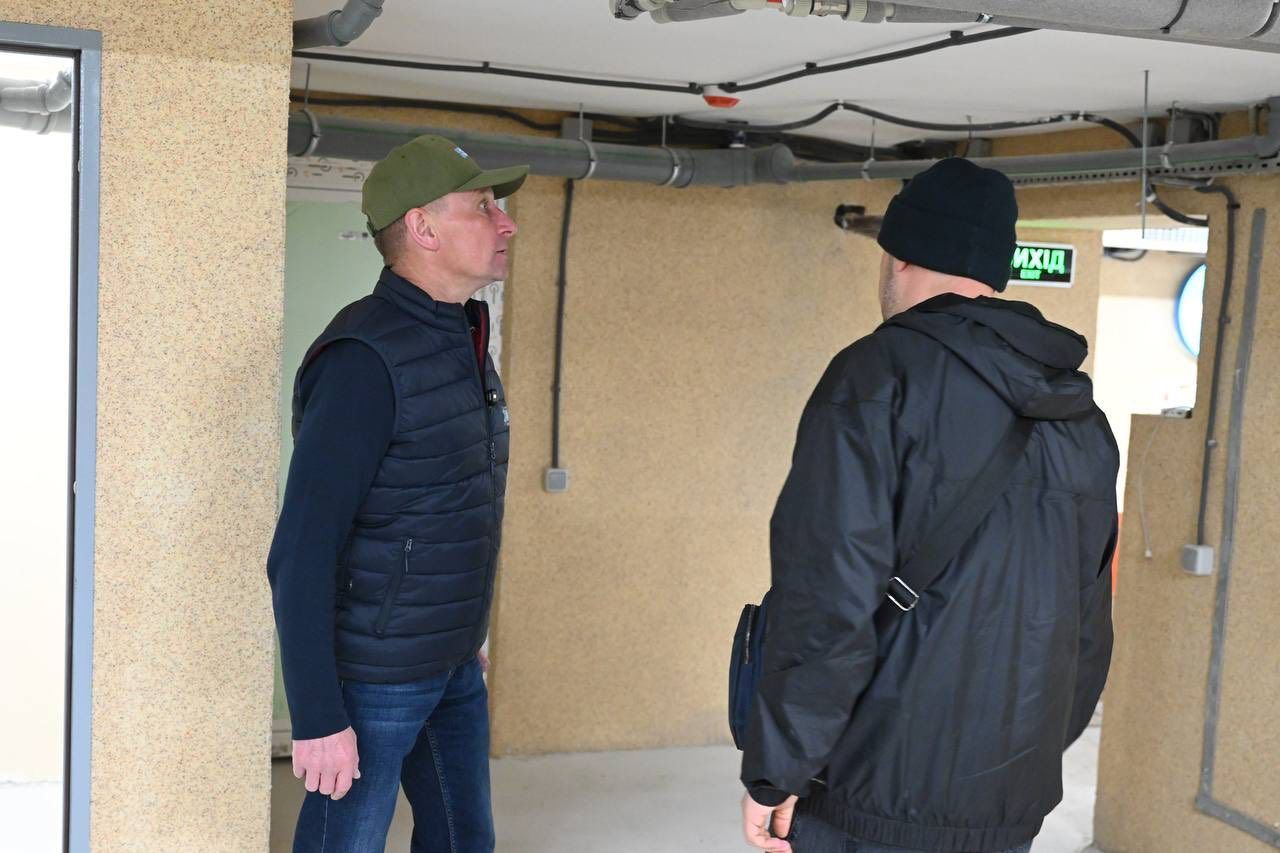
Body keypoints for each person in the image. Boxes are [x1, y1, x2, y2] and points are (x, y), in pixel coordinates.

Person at [739, 158, 1119, 853]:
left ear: (901, 255)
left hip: (869, 797)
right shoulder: (1080, 416)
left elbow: (828, 596)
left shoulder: (875, 376)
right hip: (1005, 804)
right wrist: (1018, 765)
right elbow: (1087, 625)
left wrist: (779, 769)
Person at [267, 134, 527, 852]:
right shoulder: (364, 358)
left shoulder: (460, 337)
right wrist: (318, 715)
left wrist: (462, 635)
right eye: (483, 206)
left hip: (451, 664)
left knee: (464, 840)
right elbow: (301, 550)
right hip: (373, 678)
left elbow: (442, 506)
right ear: (422, 228)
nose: (506, 223)